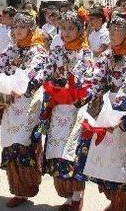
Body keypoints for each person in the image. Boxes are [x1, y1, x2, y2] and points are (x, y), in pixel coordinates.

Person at [75, 11, 126, 211]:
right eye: (112, 30)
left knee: (123, 158)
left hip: (125, 111)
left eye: (119, 30)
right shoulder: (108, 55)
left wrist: (117, 111)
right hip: (106, 108)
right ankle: (114, 201)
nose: (113, 34)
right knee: (103, 157)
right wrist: (84, 93)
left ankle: (121, 203)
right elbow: (96, 78)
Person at [36, 11, 93, 210]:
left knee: (73, 154)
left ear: (80, 30)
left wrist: (70, 85)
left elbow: (86, 78)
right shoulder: (57, 51)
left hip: (76, 110)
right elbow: (46, 69)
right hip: (58, 108)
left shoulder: (85, 53)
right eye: (63, 28)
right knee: (58, 152)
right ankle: (68, 198)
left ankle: (77, 197)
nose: (66, 32)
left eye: (71, 28)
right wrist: (39, 78)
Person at [0, 11, 48, 207]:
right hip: (9, 101)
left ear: (31, 29)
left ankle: (29, 185)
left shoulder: (38, 51)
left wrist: (21, 87)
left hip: (29, 102)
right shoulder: (11, 49)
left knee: (24, 143)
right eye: (15, 27)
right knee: (10, 144)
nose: (17, 31)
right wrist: (1, 83)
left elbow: (36, 75)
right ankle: (18, 190)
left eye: (22, 27)